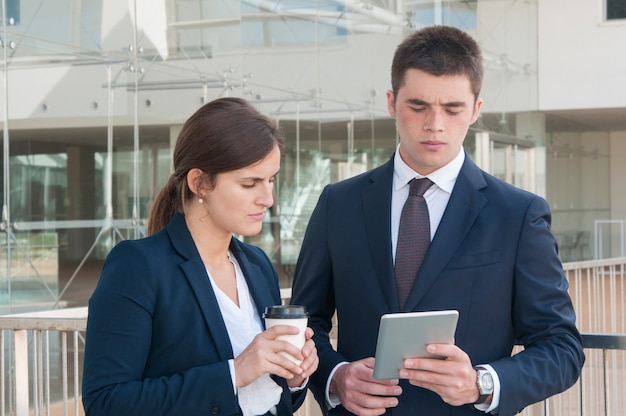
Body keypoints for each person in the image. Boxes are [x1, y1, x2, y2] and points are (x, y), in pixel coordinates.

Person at [290, 25, 584, 416]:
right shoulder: (337, 204)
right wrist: (334, 376)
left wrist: (482, 383)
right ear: (392, 103)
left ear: (476, 110)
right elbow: (306, 323)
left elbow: (561, 347)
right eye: (418, 106)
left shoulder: (517, 214)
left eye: (452, 108)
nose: (435, 124)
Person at [82, 97, 318, 416]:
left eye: (271, 179)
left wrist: (294, 378)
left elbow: (269, 400)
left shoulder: (258, 265)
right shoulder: (138, 267)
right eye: (250, 183)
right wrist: (233, 374)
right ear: (200, 183)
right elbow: (106, 402)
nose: (268, 199)